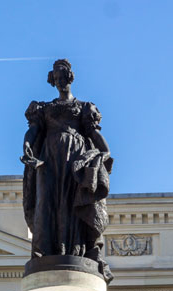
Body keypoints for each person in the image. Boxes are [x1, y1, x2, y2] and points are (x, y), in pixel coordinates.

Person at [21, 58, 113, 279]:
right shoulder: (44, 108)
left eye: (64, 77)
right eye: (56, 78)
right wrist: (26, 144)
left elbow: (93, 134)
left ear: (70, 78)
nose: (61, 81)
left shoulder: (83, 107)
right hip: (48, 160)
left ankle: (74, 250)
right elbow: (33, 132)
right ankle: (46, 251)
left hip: (75, 163)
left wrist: (105, 152)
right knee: (47, 202)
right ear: (52, 81)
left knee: (71, 205)